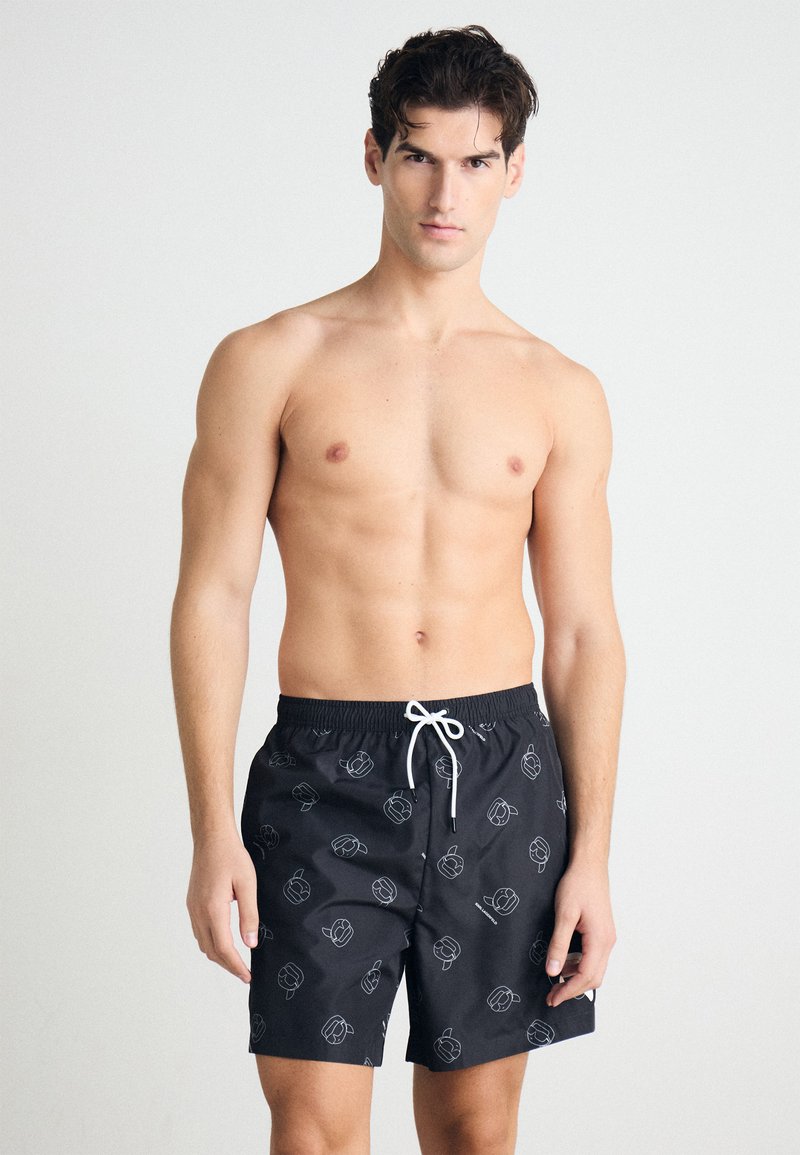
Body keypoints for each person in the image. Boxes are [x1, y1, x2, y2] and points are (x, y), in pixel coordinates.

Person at [171, 23, 625, 1155]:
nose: (445, 193)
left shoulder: (557, 389)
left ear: (514, 171)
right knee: (313, 1132)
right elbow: (213, 596)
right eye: (419, 155)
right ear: (373, 156)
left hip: (502, 775)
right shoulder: (270, 359)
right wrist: (211, 832)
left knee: (476, 1130)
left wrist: (593, 854)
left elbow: (581, 633)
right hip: (324, 774)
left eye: (475, 161)